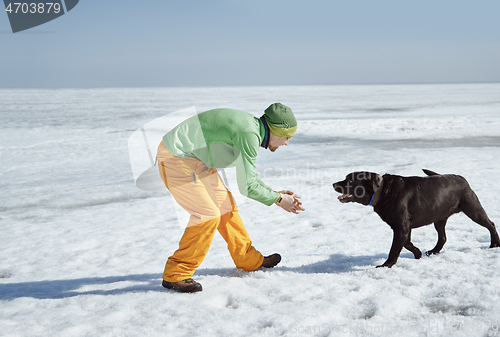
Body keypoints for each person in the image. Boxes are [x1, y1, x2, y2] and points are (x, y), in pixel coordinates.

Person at [156, 102, 304, 293]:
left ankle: (248, 259)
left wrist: (277, 195)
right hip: (176, 157)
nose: (286, 143)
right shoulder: (249, 134)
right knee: (208, 213)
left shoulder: (252, 129)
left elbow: (250, 178)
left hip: (196, 160)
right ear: (274, 130)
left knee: (226, 207)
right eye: (286, 137)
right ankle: (176, 274)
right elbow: (248, 187)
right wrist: (279, 200)